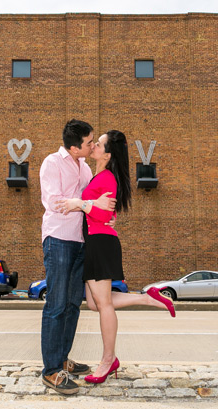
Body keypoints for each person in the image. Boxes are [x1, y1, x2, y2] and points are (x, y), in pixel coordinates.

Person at [58, 130, 176, 385]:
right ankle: (147, 298)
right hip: (96, 242)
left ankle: (108, 359)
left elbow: (101, 216)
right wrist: (87, 204)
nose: (94, 147)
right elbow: (100, 213)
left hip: (101, 243)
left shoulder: (108, 179)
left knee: (104, 305)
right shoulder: (98, 177)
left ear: (107, 154)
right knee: (93, 302)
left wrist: (79, 203)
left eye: (98, 144)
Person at [39, 119, 117, 395]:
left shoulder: (84, 167)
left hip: (82, 242)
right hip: (58, 239)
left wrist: (106, 215)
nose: (92, 144)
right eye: (88, 142)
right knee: (57, 305)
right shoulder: (52, 163)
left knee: (73, 305)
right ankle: (50, 371)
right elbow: (56, 203)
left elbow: (94, 200)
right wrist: (90, 205)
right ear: (74, 148)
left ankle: (62, 359)